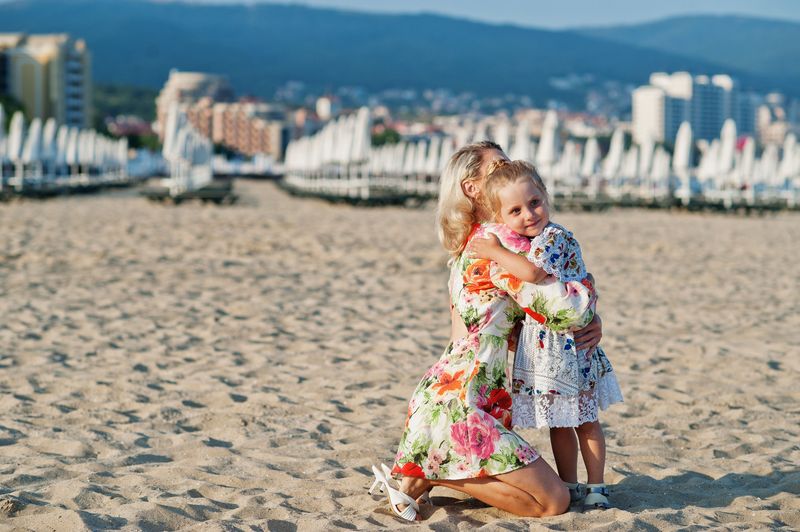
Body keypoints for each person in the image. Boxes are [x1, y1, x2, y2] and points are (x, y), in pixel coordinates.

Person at [369, 141, 604, 521]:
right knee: (552, 502)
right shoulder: (495, 246)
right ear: (471, 188)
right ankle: (425, 471)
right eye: (498, 166)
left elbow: (525, 319)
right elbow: (564, 308)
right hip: (462, 397)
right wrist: (591, 300)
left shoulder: (480, 241)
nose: (509, 169)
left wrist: (589, 316)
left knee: (550, 498)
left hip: (459, 392)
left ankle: (421, 474)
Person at [466, 159, 623, 510]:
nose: (529, 214)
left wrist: (494, 252)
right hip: (542, 346)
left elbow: (533, 275)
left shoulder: (554, 236)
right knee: (559, 421)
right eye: (516, 210)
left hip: (569, 346)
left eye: (534, 202)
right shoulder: (523, 240)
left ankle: (597, 486)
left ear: (546, 197)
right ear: (502, 217)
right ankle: (570, 483)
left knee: (584, 419)